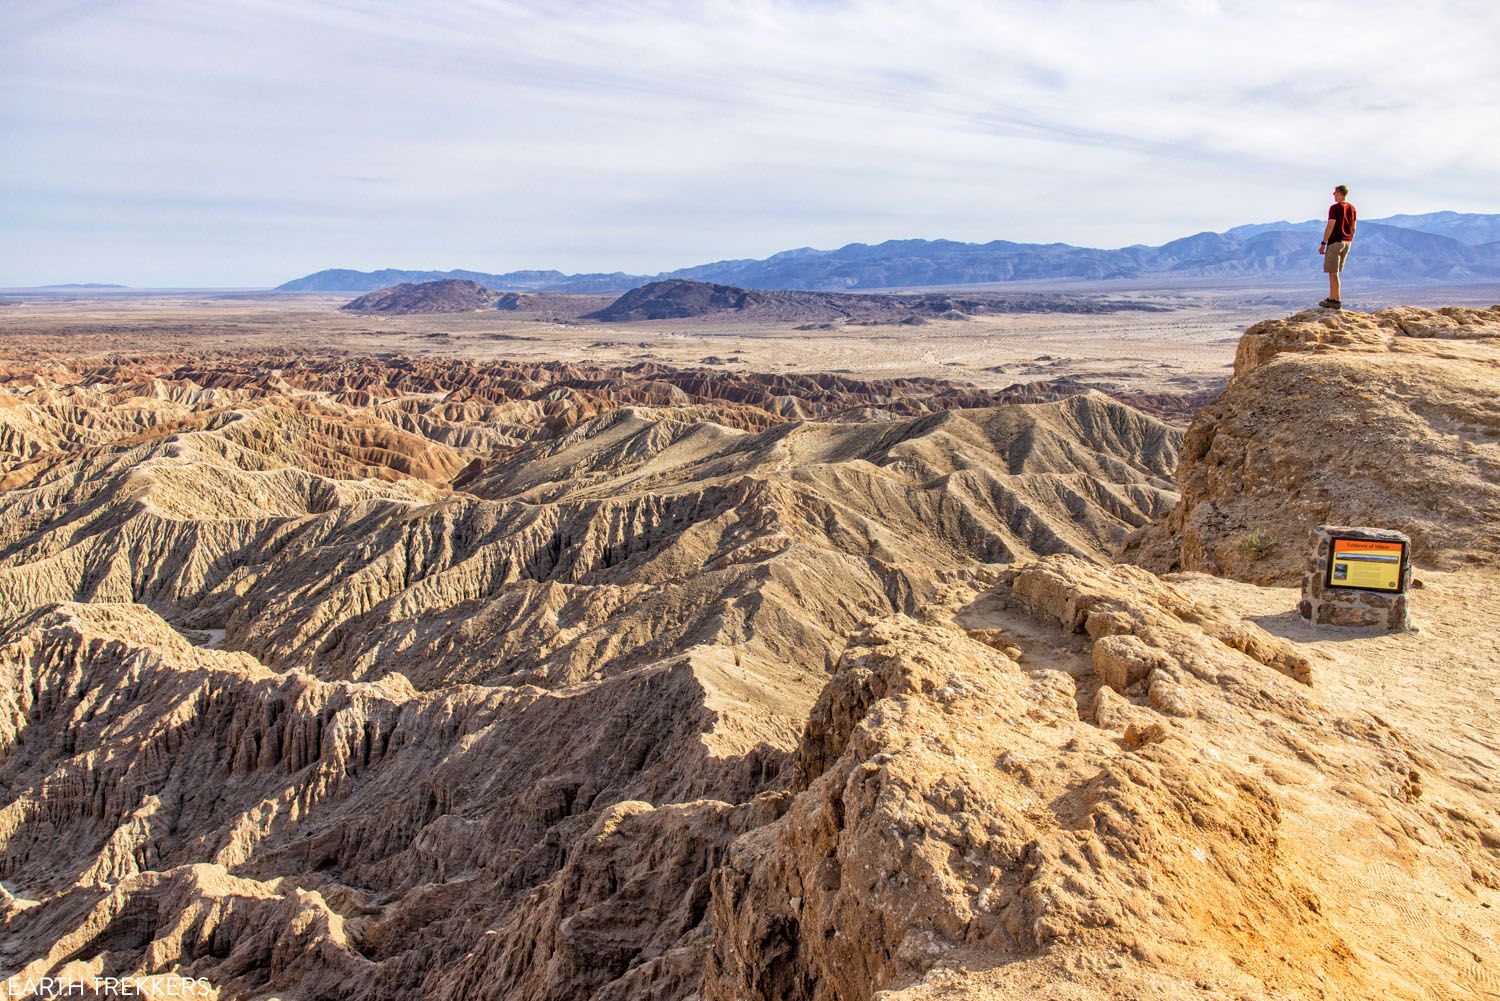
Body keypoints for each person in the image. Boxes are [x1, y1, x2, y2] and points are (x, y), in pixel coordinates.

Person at [1318, 185, 1356, 309]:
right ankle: (1333, 298)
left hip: (1335, 242)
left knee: (1332, 273)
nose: (1333, 195)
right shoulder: (1352, 208)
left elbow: (1330, 226)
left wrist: (1323, 243)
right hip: (1347, 242)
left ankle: (1335, 300)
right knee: (1336, 273)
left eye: (1334, 193)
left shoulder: (1335, 208)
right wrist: (1350, 241)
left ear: (1339, 193)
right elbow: (1353, 228)